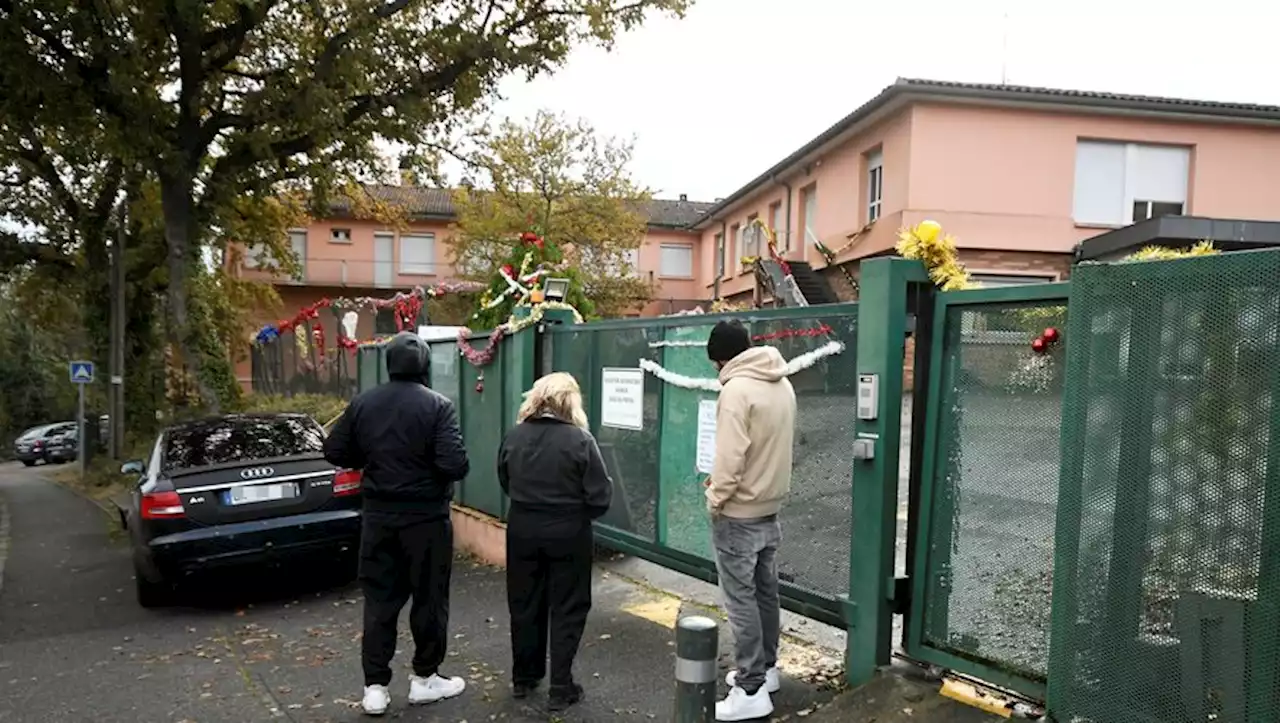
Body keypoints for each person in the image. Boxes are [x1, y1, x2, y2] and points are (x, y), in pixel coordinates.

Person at [323, 331, 471, 717]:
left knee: (379, 602)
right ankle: (425, 679)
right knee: (429, 599)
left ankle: (375, 687)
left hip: (379, 517)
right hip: (426, 519)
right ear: (424, 365)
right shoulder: (438, 406)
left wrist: (372, 456)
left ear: (389, 364)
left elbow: (334, 450)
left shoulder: (364, 403)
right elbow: (454, 464)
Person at [497, 372, 613, 712]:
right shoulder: (580, 441)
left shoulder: (514, 436)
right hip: (568, 531)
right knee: (568, 606)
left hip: (522, 529)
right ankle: (561, 687)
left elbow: (504, 479)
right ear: (569, 401)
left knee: (524, 602)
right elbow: (599, 495)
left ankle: (524, 678)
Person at [704, 319, 796, 722]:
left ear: (721, 357)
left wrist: (714, 497)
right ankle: (767, 669)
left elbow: (729, 457)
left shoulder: (735, 390)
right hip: (770, 506)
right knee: (765, 593)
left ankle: (751, 687)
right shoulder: (781, 382)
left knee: (739, 599)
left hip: (738, 512)